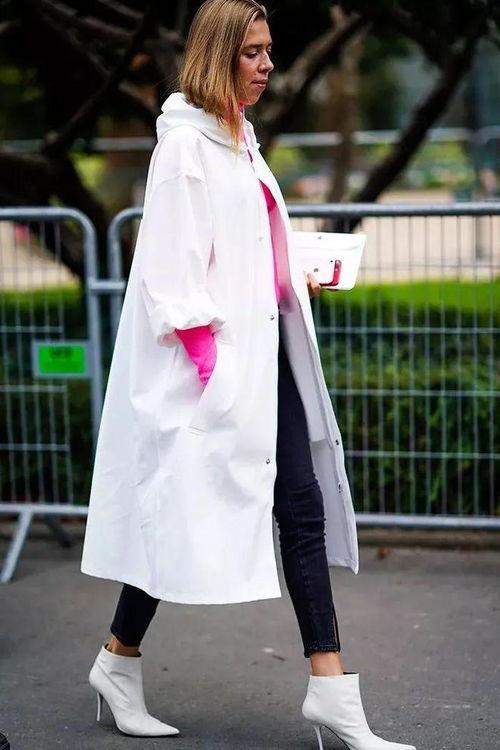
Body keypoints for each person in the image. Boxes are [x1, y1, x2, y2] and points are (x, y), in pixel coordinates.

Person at [80, 2, 416, 748]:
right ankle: (118, 659)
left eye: (269, 51)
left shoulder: (238, 138)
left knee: (301, 509)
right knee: (175, 516)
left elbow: (241, 251)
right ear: (218, 54)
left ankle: (331, 689)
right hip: (214, 374)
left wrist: (298, 272)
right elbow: (172, 272)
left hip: (265, 360)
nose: (268, 65)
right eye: (253, 53)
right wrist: (218, 375)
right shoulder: (185, 146)